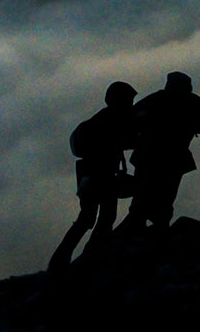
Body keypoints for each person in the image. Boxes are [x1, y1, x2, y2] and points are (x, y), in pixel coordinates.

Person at [47, 80, 138, 273]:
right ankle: (91, 256)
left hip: (88, 174)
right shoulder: (112, 120)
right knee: (104, 217)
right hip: (102, 175)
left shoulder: (102, 119)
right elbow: (126, 140)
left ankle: (62, 260)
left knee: (87, 218)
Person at [122, 73, 200, 231]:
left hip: (147, 157)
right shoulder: (192, 103)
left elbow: (130, 122)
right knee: (164, 202)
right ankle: (158, 234)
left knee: (141, 201)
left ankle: (135, 234)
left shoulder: (155, 100)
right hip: (174, 160)